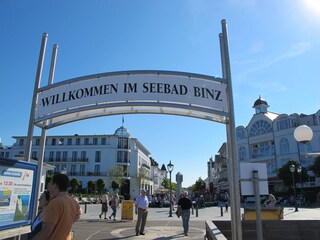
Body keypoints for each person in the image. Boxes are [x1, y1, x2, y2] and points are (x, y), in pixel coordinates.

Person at [32, 173, 82, 240]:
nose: (48, 185)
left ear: (55, 186)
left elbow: (46, 232)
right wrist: (64, 226)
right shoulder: (71, 200)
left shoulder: (55, 202)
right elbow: (79, 213)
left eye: (50, 183)